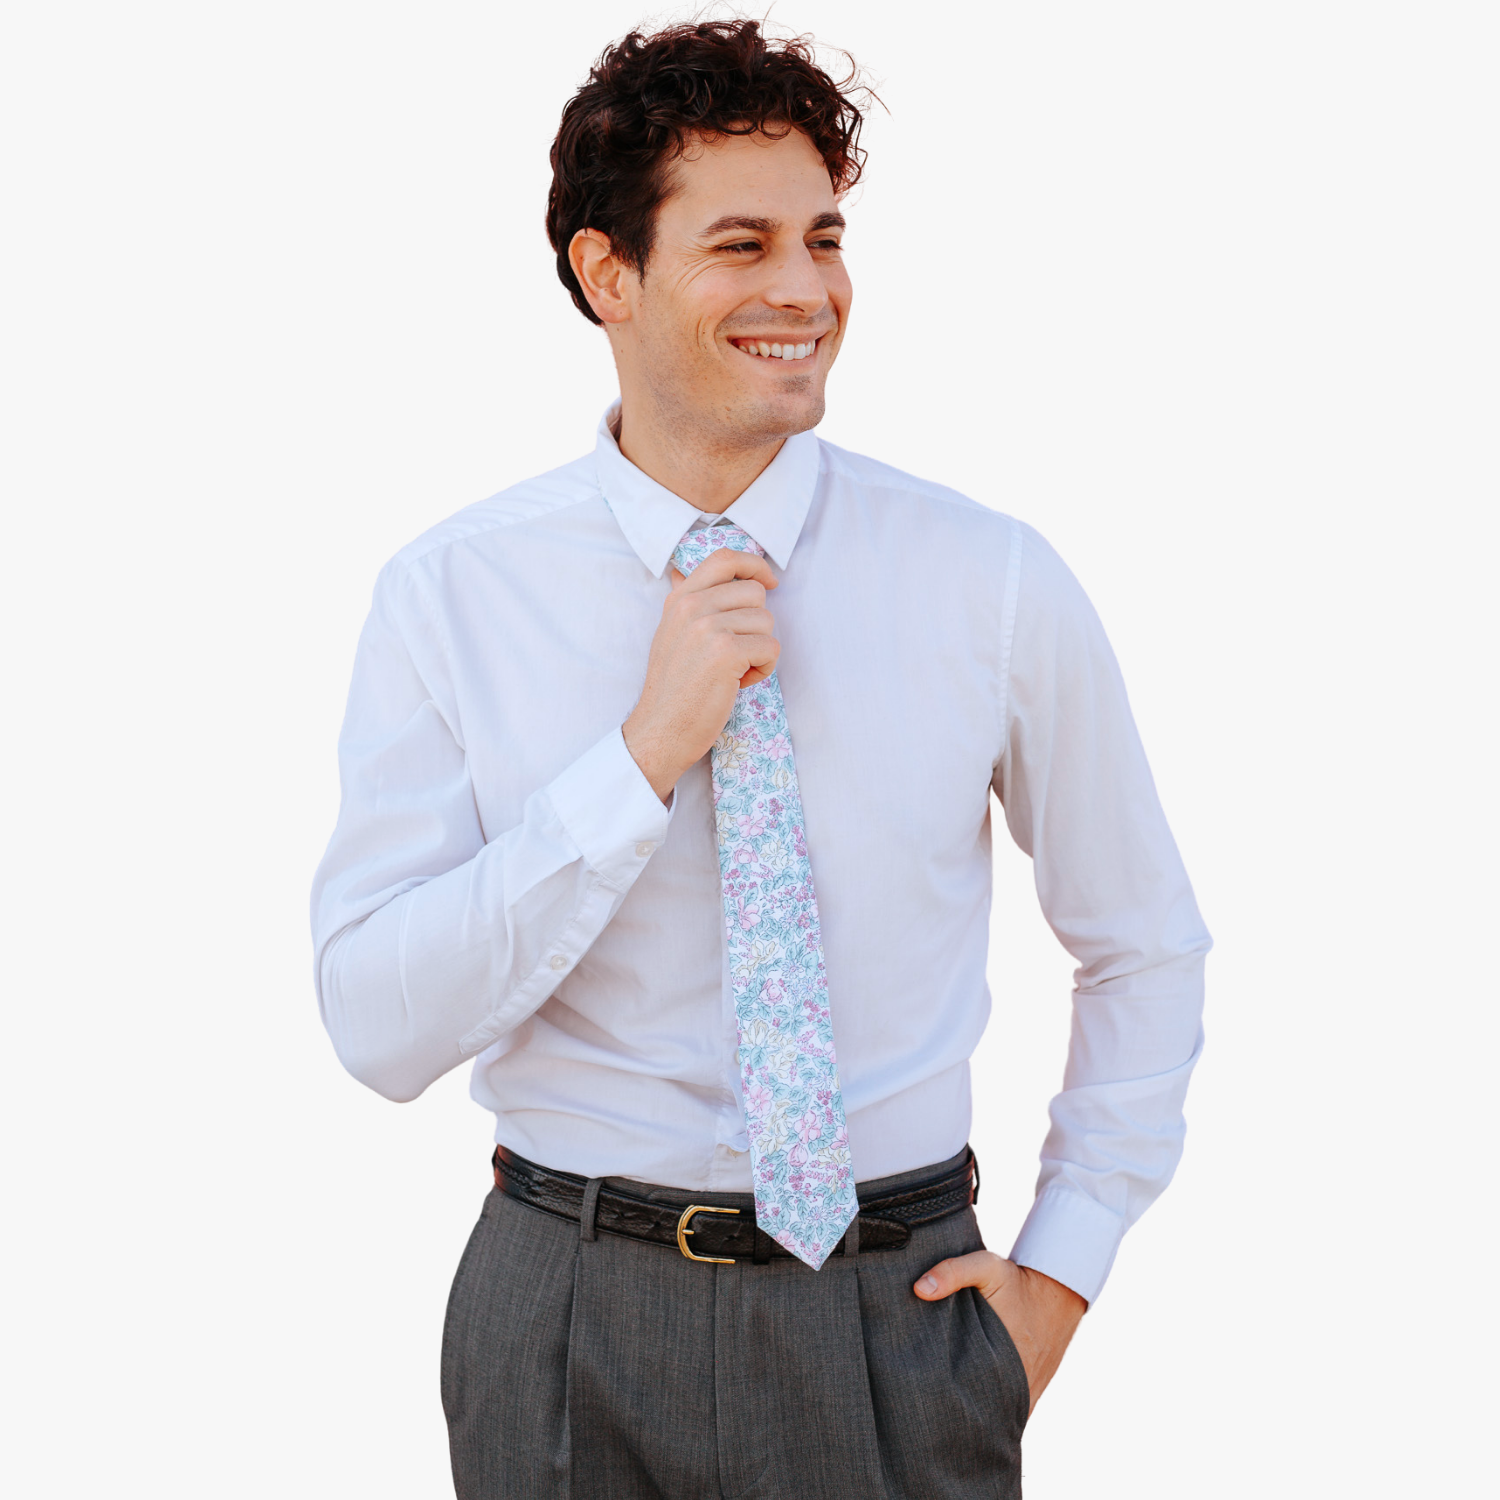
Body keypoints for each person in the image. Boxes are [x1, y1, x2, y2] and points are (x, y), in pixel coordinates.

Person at [311, 18, 1210, 1499]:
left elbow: (1143, 942)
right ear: (608, 273)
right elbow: (375, 1026)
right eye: (743, 244)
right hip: (564, 1323)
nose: (806, 289)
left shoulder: (989, 580)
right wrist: (641, 757)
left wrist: (1063, 1271)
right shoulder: (452, 594)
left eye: (824, 239)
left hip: (900, 1315)